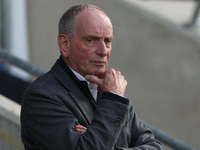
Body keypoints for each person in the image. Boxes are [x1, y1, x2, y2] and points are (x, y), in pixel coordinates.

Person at [20, 4, 162, 150]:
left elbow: (154, 146)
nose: (103, 51)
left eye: (107, 41)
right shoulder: (41, 96)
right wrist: (113, 99)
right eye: (91, 40)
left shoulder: (112, 90)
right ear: (65, 44)